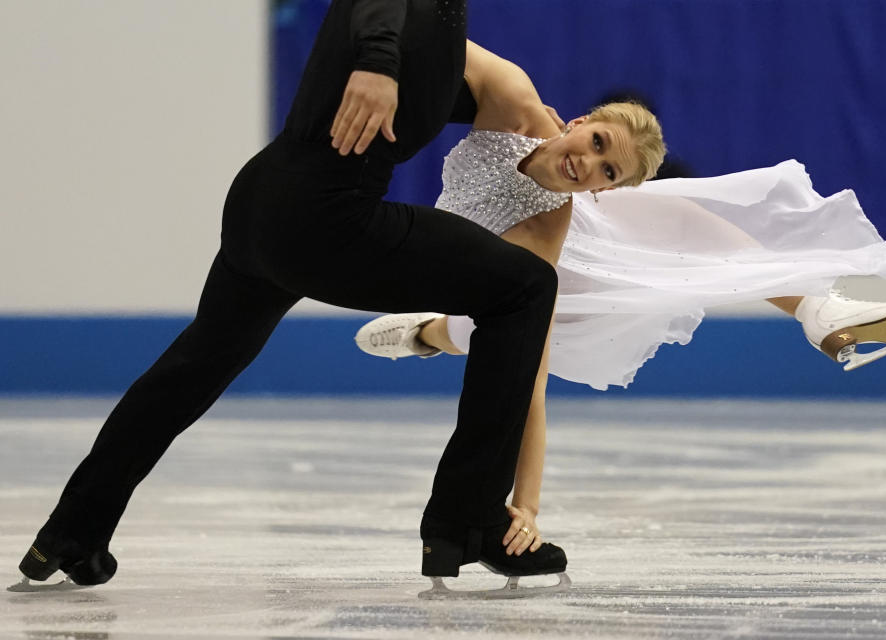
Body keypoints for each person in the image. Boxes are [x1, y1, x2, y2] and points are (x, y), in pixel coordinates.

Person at [15, 1, 569, 598]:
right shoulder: (410, 21)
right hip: (327, 215)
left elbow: (459, 92)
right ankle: (467, 521)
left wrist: (535, 127)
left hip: (266, 203)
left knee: (191, 369)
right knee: (525, 288)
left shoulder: (452, 46)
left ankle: (73, 531)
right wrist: (378, 64)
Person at [355, 41, 886, 554]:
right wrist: (371, 60)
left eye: (608, 172)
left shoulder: (547, 232)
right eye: (597, 142)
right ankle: (422, 333)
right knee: (465, 331)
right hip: (480, 265)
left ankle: (821, 310)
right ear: (579, 120)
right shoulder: (518, 104)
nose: (588, 164)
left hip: (568, 261)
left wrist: (527, 504)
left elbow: (527, 383)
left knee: (676, 223)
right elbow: (445, 40)